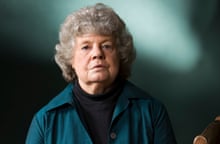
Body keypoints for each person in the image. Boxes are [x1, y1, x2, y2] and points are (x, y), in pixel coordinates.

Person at [25, 3, 177, 144]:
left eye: (106, 45)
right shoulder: (45, 121)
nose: (97, 54)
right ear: (70, 58)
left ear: (120, 54)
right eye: (86, 47)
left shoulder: (152, 112)